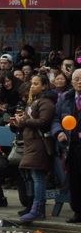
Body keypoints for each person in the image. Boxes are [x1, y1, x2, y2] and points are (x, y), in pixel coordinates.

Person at [12, 74, 56, 223]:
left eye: (36, 83)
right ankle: (35, 208)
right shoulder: (34, 102)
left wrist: (25, 121)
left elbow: (44, 121)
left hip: (39, 144)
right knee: (33, 176)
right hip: (31, 144)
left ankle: (37, 209)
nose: (32, 86)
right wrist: (18, 122)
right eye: (32, 83)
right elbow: (28, 121)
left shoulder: (46, 102)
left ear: (44, 86)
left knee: (38, 177)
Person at [51, 69, 81, 223]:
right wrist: (58, 132)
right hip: (71, 146)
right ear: (72, 81)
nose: (79, 82)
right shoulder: (65, 97)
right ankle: (77, 212)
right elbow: (56, 119)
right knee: (74, 179)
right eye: (76, 79)